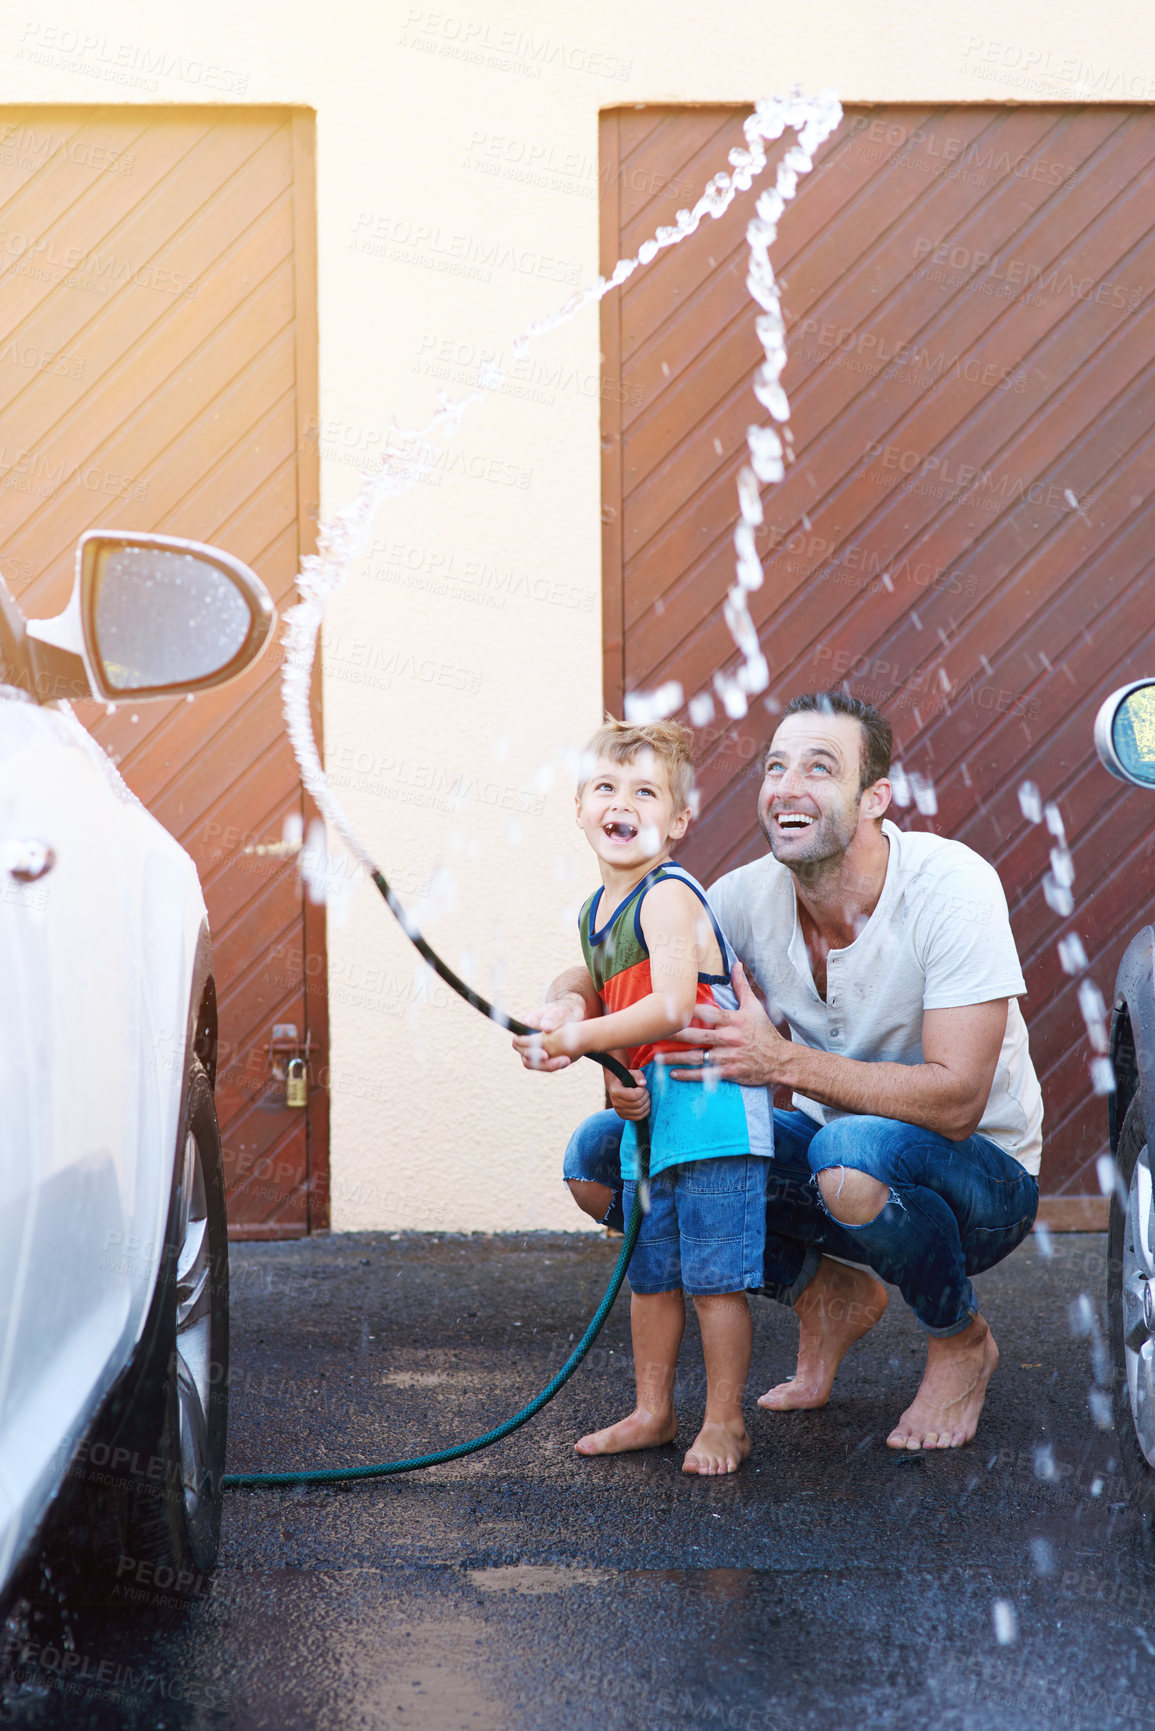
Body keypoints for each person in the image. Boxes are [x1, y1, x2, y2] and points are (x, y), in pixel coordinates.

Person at [516, 692, 1042, 1453]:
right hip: (839, 1165)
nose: (787, 785)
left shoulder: (949, 886)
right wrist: (564, 1000)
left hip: (979, 1182)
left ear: (873, 798)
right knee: (602, 1159)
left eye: (819, 767)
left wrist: (781, 1060)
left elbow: (957, 1100)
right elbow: (635, 957)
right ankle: (822, 1293)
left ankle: (957, 1336)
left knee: (848, 1154)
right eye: (775, 766)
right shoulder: (743, 894)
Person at [522, 718, 772, 1476]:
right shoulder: (593, 912)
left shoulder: (666, 897)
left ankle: (725, 1421)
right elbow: (611, 1005)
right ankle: (651, 1409)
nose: (620, 802)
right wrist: (606, 1068)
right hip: (659, 1117)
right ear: (578, 806)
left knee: (713, 1280)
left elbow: (666, 1008)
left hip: (715, 1112)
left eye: (644, 790)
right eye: (605, 786)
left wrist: (576, 1038)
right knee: (652, 1272)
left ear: (678, 820)